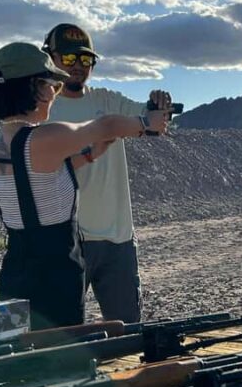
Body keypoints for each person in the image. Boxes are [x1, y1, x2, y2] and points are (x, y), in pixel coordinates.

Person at [0, 42, 168, 330]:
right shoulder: (46, 137)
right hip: (55, 274)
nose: (55, 93)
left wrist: (92, 154)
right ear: (38, 88)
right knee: (61, 364)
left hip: (14, 269)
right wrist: (146, 122)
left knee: (8, 356)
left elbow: (36, 177)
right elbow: (105, 125)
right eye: (53, 86)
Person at [43, 23, 172, 323]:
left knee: (127, 331)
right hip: (65, 240)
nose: (78, 66)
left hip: (118, 239)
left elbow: (152, 121)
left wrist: (158, 106)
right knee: (61, 334)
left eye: (85, 60)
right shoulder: (42, 109)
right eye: (69, 58)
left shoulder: (107, 101)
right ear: (51, 57)